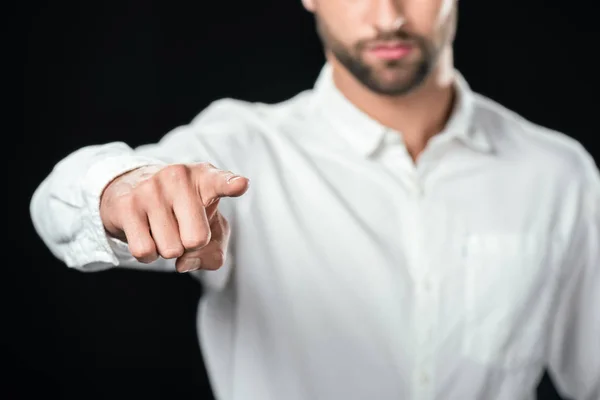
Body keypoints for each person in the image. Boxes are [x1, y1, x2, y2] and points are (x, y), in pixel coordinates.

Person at [30, 0, 599, 399]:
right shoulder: (242, 150)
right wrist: (119, 189)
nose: (388, 16)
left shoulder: (557, 173)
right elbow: (60, 204)